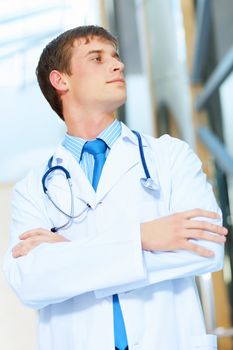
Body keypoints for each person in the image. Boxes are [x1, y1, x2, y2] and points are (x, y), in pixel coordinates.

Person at [3, 25, 228, 350]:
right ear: (60, 80)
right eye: (97, 58)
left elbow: (206, 247)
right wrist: (143, 236)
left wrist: (70, 251)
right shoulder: (33, 188)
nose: (118, 65)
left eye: (116, 57)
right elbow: (30, 282)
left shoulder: (169, 156)